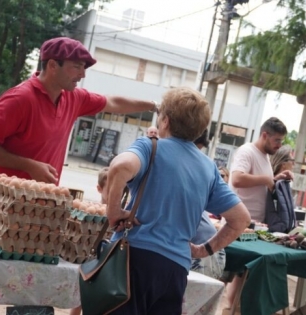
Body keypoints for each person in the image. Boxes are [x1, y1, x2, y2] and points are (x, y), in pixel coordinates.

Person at [105, 87, 251, 314]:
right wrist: (205, 250)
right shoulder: (208, 168)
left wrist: (113, 212)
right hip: (175, 269)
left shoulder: (150, 147)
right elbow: (241, 219)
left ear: (165, 121)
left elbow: (120, 166)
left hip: (132, 259)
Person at [0, 37, 159, 184]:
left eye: (83, 68)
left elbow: (113, 102)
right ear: (52, 65)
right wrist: (28, 165)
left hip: (41, 208)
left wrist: (154, 105)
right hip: (1, 204)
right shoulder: (20, 99)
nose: (82, 74)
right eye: (76, 67)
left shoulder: (74, 97)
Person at [224, 117, 293, 309]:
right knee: (228, 273)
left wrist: (276, 178)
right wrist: (266, 179)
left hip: (255, 225)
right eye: (277, 140)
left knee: (242, 274)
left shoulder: (265, 157)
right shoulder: (247, 151)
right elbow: (237, 179)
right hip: (239, 223)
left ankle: (233, 309)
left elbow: (262, 183)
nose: (280, 145)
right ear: (265, 135)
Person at [190, 129, 226, 280]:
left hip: (201, 254)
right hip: (209, 252)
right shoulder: (205, 166)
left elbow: (241, 218)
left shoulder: (201, 166)